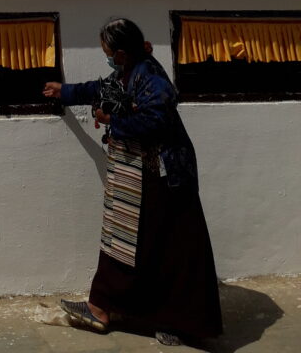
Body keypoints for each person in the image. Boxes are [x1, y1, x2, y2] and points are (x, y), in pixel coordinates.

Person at [43, 18, 222, 347]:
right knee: (123, 238)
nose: (108, 58)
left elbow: (157, 119)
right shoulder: (128, 72)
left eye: (109, 52)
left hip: (165, 179)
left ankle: (178, 322)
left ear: (123, 53)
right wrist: (64, 92)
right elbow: (100, 89)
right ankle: (101, 306)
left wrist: (113, 119)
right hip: (136, 176)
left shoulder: (151, 78)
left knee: (168, 250)